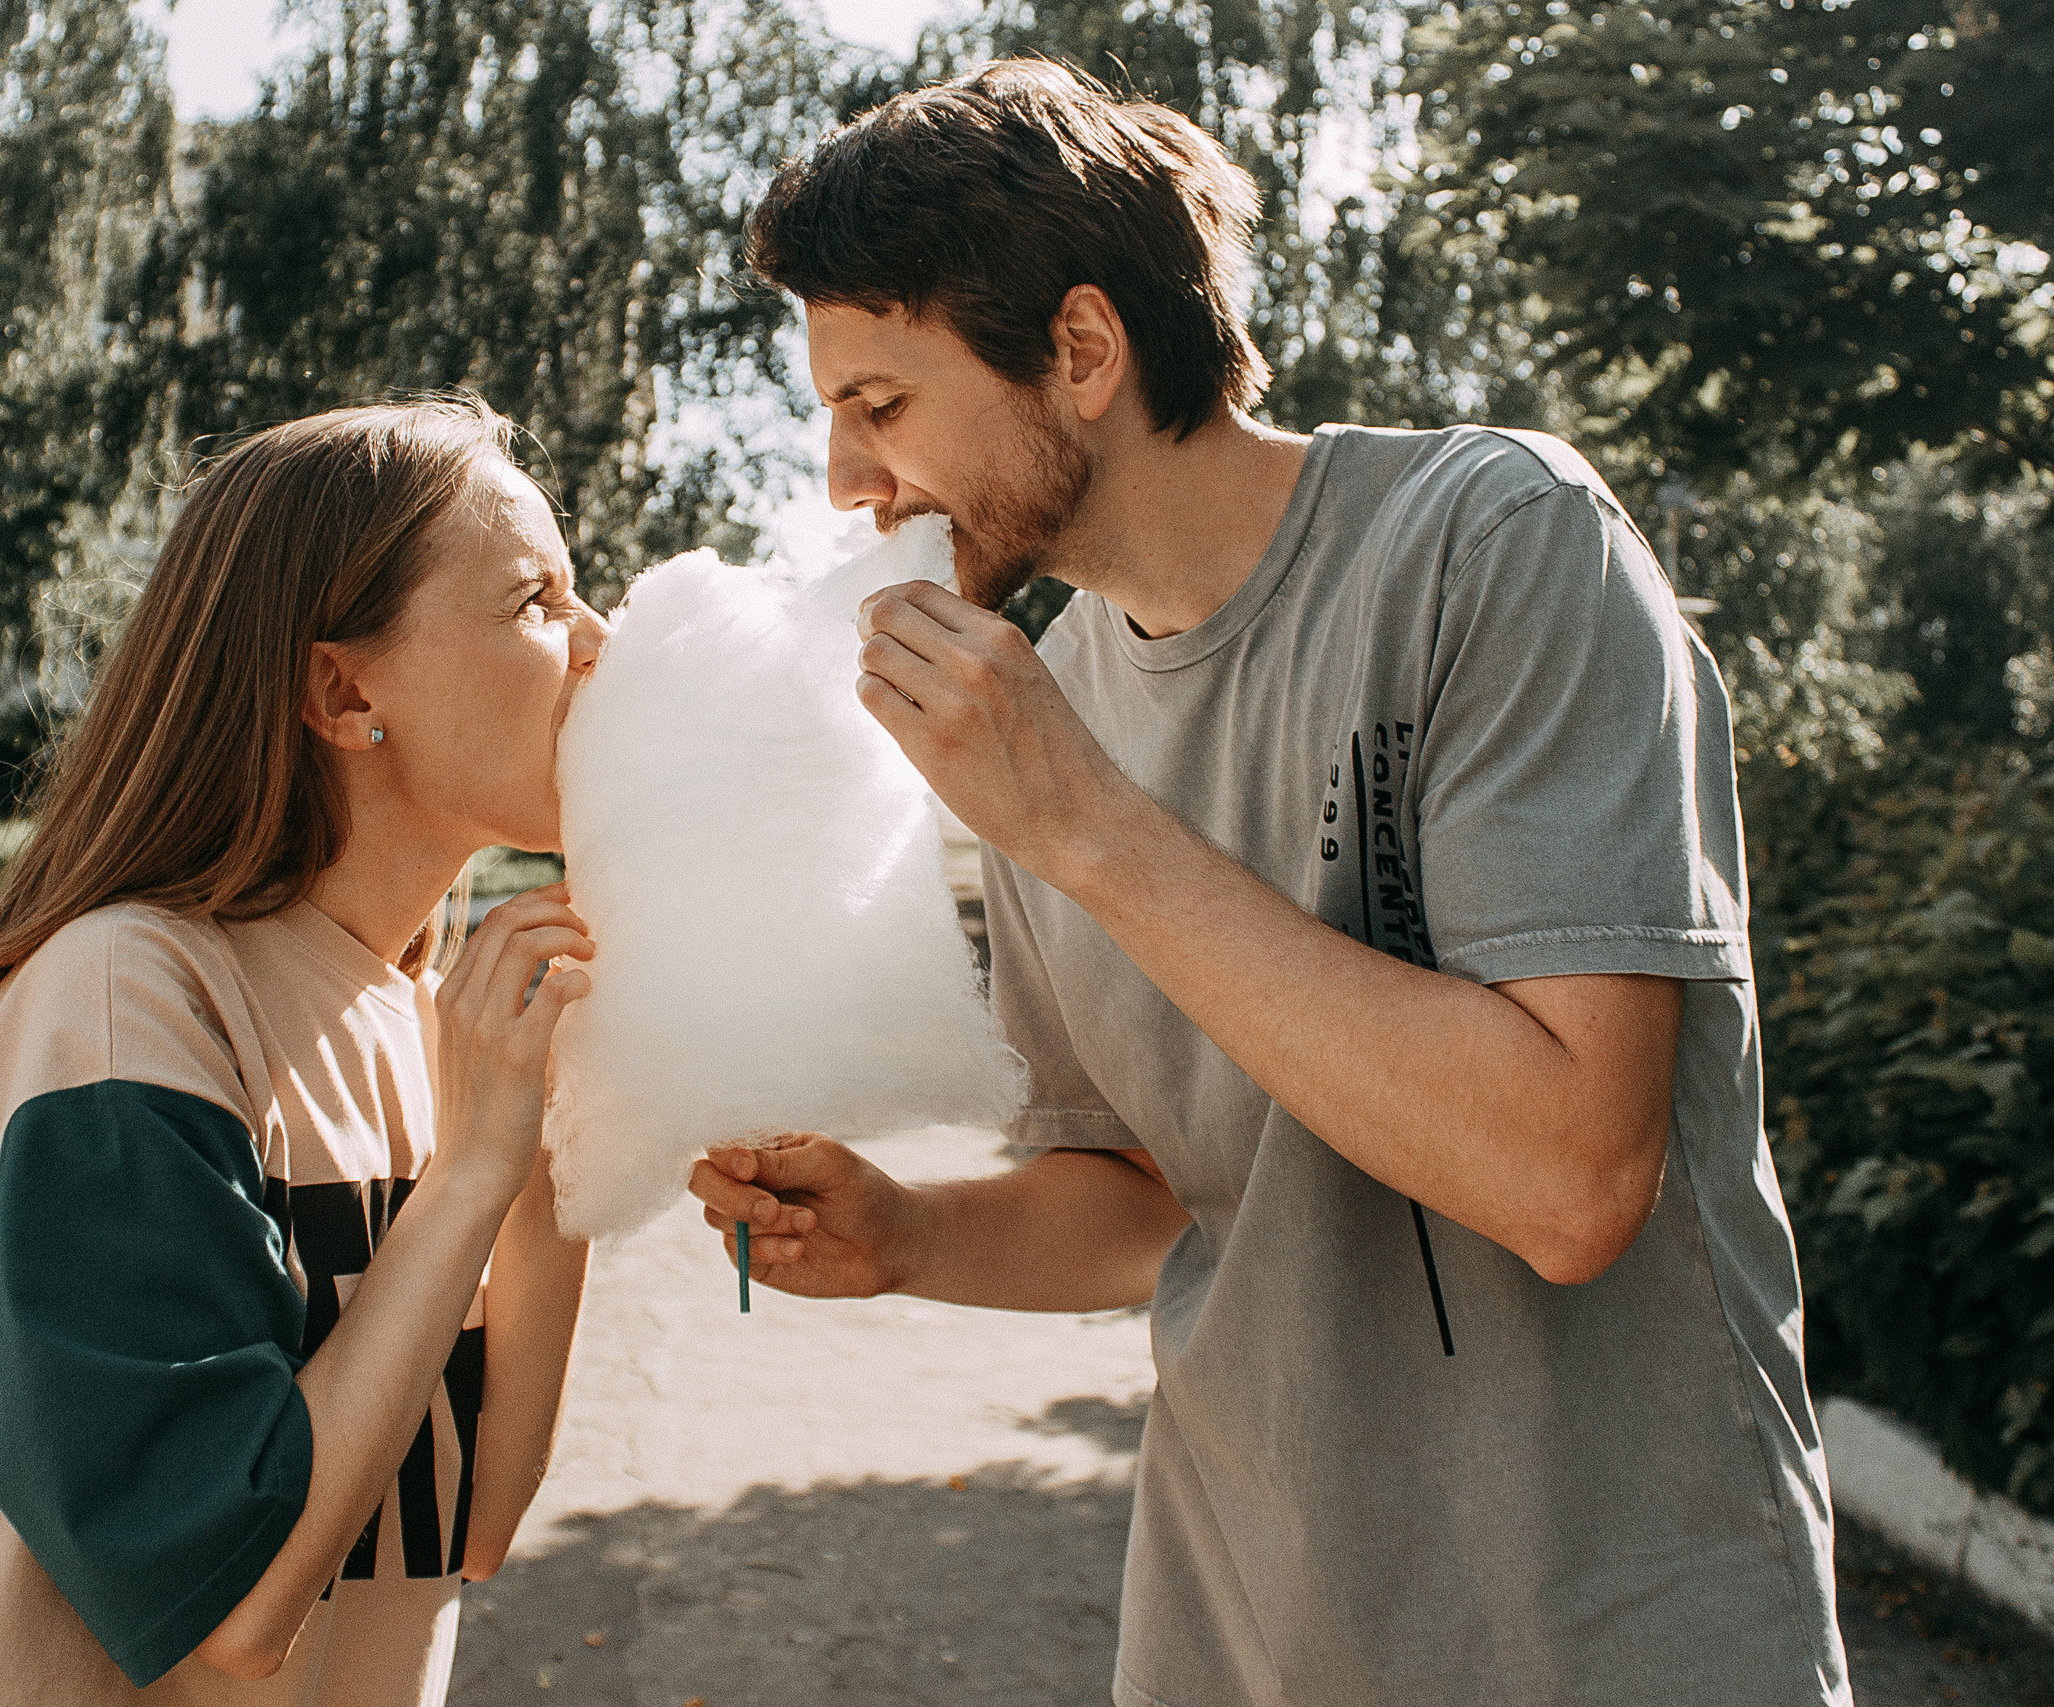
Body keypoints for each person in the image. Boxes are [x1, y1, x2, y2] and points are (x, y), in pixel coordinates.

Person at [688, 60, 1849, 1706]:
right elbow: (1151, 1203)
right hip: (1245, 1651)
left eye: (882, 404)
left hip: (1618, 1647)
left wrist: (1082, 824)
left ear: (1080, 352)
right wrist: (907, 1236)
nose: (844, 483)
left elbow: (1572, 1178)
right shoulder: (1046, 710)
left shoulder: (1495, 544)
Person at [0, 398, 608, 1706]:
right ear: (344, 691)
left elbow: (471, 1522)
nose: (600, 645)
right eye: (536, 601)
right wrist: (469, 1179)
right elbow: (230, 1600)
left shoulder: (427, 1025)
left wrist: (562, 1139)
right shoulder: (127, 1006)